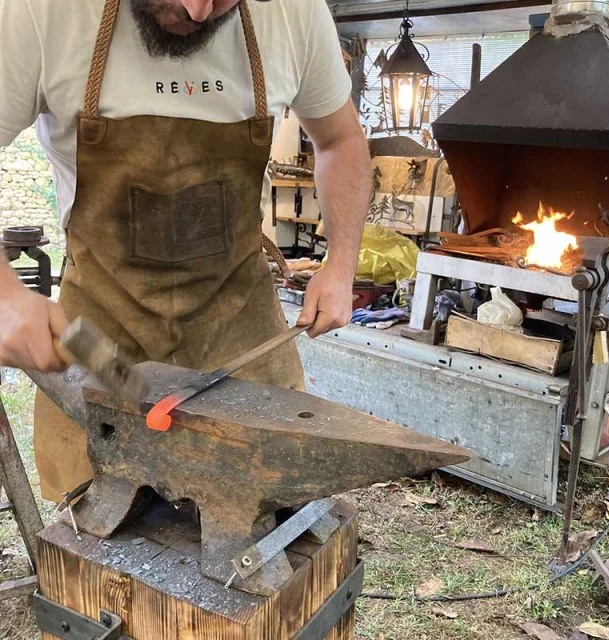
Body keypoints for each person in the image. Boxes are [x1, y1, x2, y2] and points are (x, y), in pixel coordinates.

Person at [0, 0, 371, 501]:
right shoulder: (40, 12)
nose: (199, 11)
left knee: (269, 516)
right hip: (103, 342)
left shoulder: (293, 12)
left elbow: (341, 139)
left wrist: (341, 264)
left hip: (242, 332)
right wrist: (5, 295)